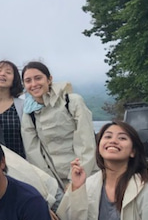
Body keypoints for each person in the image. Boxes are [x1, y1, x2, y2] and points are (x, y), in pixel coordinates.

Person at [20, 61, 95, 189]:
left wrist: (76, 179)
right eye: (28, 81)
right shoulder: (29, 113)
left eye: (38, 78)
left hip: (84, 174)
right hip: (54, 180)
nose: (34, 84)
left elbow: (86, 142)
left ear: (49, 79)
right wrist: (51, 185)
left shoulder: (71, 101)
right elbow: (33, 152)